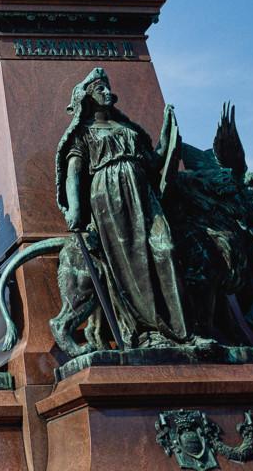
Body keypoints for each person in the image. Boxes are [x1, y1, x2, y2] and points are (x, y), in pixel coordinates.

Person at [56, 68, 190, 347]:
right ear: (88, 98)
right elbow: (74, 173)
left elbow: (155, 162)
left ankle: (180, 329)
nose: (107, 93)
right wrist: (76, 214)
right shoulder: (83, 133)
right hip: (109, 197)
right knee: (132, 260)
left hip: (144, 196)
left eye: (108, 88)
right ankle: (147, 329)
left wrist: (167, 130)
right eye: (100, 89)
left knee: (164, 248)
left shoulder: (129, 131)